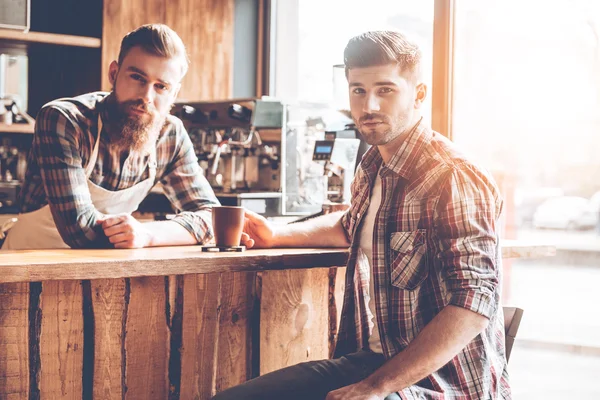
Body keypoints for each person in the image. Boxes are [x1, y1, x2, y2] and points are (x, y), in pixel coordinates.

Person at [214, 31, 509, 399]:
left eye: (385, 90)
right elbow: (349, 226)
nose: (368, 105)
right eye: (358, 90)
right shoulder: (372, 165)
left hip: (444, 384)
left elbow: (475, 302)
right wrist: (277, 234)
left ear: (418, 94)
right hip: (373, 362)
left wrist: (375, 388)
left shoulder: (453, 175)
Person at [2, 24, 226, 250]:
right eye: (138, 77)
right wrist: (165, 232)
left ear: (174, 93)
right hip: (28, 270)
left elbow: (213, 218)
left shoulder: (171, 135)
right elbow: (80, 231)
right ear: (114, 73)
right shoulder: (65, 120)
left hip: (105, 273)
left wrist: (148, 234)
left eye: (161, 86)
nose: (146, 96)